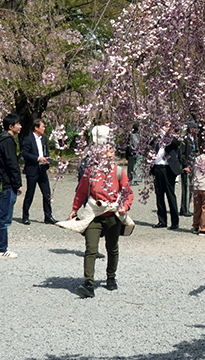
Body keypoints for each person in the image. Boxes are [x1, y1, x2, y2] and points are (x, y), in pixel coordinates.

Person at [71, 126, 131, 298]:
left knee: (112, 247)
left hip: (112, 214)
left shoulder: (119, 172)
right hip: (93, 214)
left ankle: (111, 277)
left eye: (111, 151)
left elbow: (128, 193)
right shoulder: (91, 171)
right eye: (106, 151)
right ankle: (88, 283)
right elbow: (82, 191)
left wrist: (124, 206)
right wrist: (74, 208)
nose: (109, 154)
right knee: (91, 248)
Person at [0, 113, 23, 259]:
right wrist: (18, 183)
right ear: (11, 126)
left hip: (2, 181)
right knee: (5, 217)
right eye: (18, 124)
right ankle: (1, 249)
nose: (20, 126)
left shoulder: (0, 140)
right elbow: (12, 164)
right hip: (6, 183)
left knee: (2, 216)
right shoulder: (8, 141)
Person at [21, 118, 56, 225]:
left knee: (47, 193)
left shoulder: (43, 139)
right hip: (32, 170)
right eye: (43, 126)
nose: (44, 128)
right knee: (30, 193)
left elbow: (45, 150)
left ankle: (48, 216)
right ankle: (25, 216)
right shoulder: (28, 139)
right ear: (36, 128)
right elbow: (25, 154)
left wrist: (46, 158)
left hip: (42, 169)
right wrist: (37, 158)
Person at [151, 131, 182, 230]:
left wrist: (168, 135)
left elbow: (176, 144)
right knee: (159, 195)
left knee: (170, 194)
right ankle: (162, 221)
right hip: (157, 167)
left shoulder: (172, 137)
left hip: (168, 168)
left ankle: (175, 222)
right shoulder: (156, 137)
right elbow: (149, 144)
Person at [178, 121, 197, 217]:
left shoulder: (193, 139)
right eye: (194, 128)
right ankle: (184, 208)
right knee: (186, 187)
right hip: (187, 166)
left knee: (190, 187)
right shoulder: (185, 139)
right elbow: (182, 153)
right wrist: (185, 165)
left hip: (192, 165)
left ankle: (187, 207)